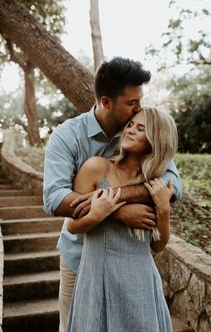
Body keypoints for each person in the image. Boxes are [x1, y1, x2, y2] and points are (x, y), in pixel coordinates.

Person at [43, 57, 182, 332]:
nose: (138, 109)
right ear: (107, 102)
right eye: (131, 103)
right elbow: (56, 198)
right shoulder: (67, 136)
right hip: (80, 257)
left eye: (139, 101)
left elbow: (171, 185)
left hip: (129, 264)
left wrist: (115, 197)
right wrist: (117, 210)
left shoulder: (142, 130)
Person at [66, 107, 177, 332]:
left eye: (141, 128)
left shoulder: (154, 184)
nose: (130, 131)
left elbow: (157, 245)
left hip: (141, 279)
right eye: (130, 125)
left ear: (156, 139)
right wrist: (101, 212)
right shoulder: (96, 167)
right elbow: (73, 226)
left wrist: (163, 210)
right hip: (97, 274)